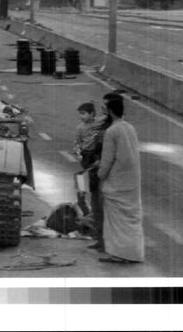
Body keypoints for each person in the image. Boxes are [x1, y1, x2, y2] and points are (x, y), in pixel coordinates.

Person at [97, 95, 145, 263]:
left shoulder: (112, 131)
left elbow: (108, 159)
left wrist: (100, 176)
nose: (102, 109)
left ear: (110, 111)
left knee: (116, 221)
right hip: (132, 182)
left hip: (116, 183)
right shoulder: (130, 128)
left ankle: (119, 253)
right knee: (131, 218)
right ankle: (134, 253)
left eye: (104, 107)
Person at [73, 101, 107, 251]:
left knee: (94, 188)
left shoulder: (99, 124)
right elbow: (76, 143)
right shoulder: (80, 128)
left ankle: (93, 221)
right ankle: (88, 213)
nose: (82, 117)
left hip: (95, 156)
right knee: (86, 186)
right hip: (86, 157)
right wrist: (78, 153)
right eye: (80, 114)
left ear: (93, 114)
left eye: (84, 113)